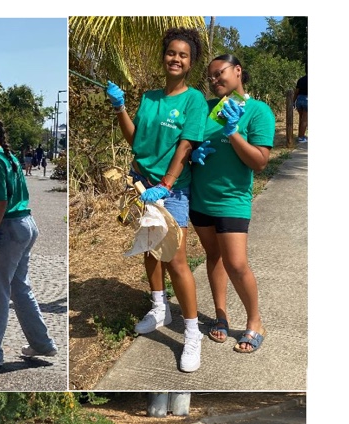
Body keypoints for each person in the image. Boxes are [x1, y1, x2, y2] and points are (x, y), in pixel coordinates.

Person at [106, 27, 207, 372]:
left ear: (190, 62)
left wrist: (167, 182)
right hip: (141, 183)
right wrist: (120, 108)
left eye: (183, 55)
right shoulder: (149, 97)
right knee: (150, 248)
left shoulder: (192, 100)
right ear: (163, 57)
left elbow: (187, 144)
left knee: (176, 260)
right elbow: (136, 140)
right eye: (171, 53)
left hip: (171, 188)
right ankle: (159, 308)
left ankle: (192, 334)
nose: (176, 59)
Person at [189, 55, 274, 354]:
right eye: (210, 77)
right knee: (214, 256)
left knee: (237, 264)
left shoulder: (258, 111)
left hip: (232, 200)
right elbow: (190, 145)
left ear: (238, 71)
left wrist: (233, 132)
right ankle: (221, 316)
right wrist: (192, 157)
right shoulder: (207, 109)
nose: (214, 80)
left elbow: (260, 162)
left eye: (219, 73)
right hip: (200, 198)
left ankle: (255, 321)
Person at [0, 111, 58, 368]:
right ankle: (42, 344)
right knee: (19, 288)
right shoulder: (8, 157)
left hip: (9, 229)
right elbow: (5, 195)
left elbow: (1, 202)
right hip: (26, 225)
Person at [294, 74, 307, 143]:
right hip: (307, 99)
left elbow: (296, 91)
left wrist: (293, 101)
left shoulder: (301, 79)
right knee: (305, 120)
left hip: (299, 99)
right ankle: (301, 137)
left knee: (301, 119)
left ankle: (300, 135)